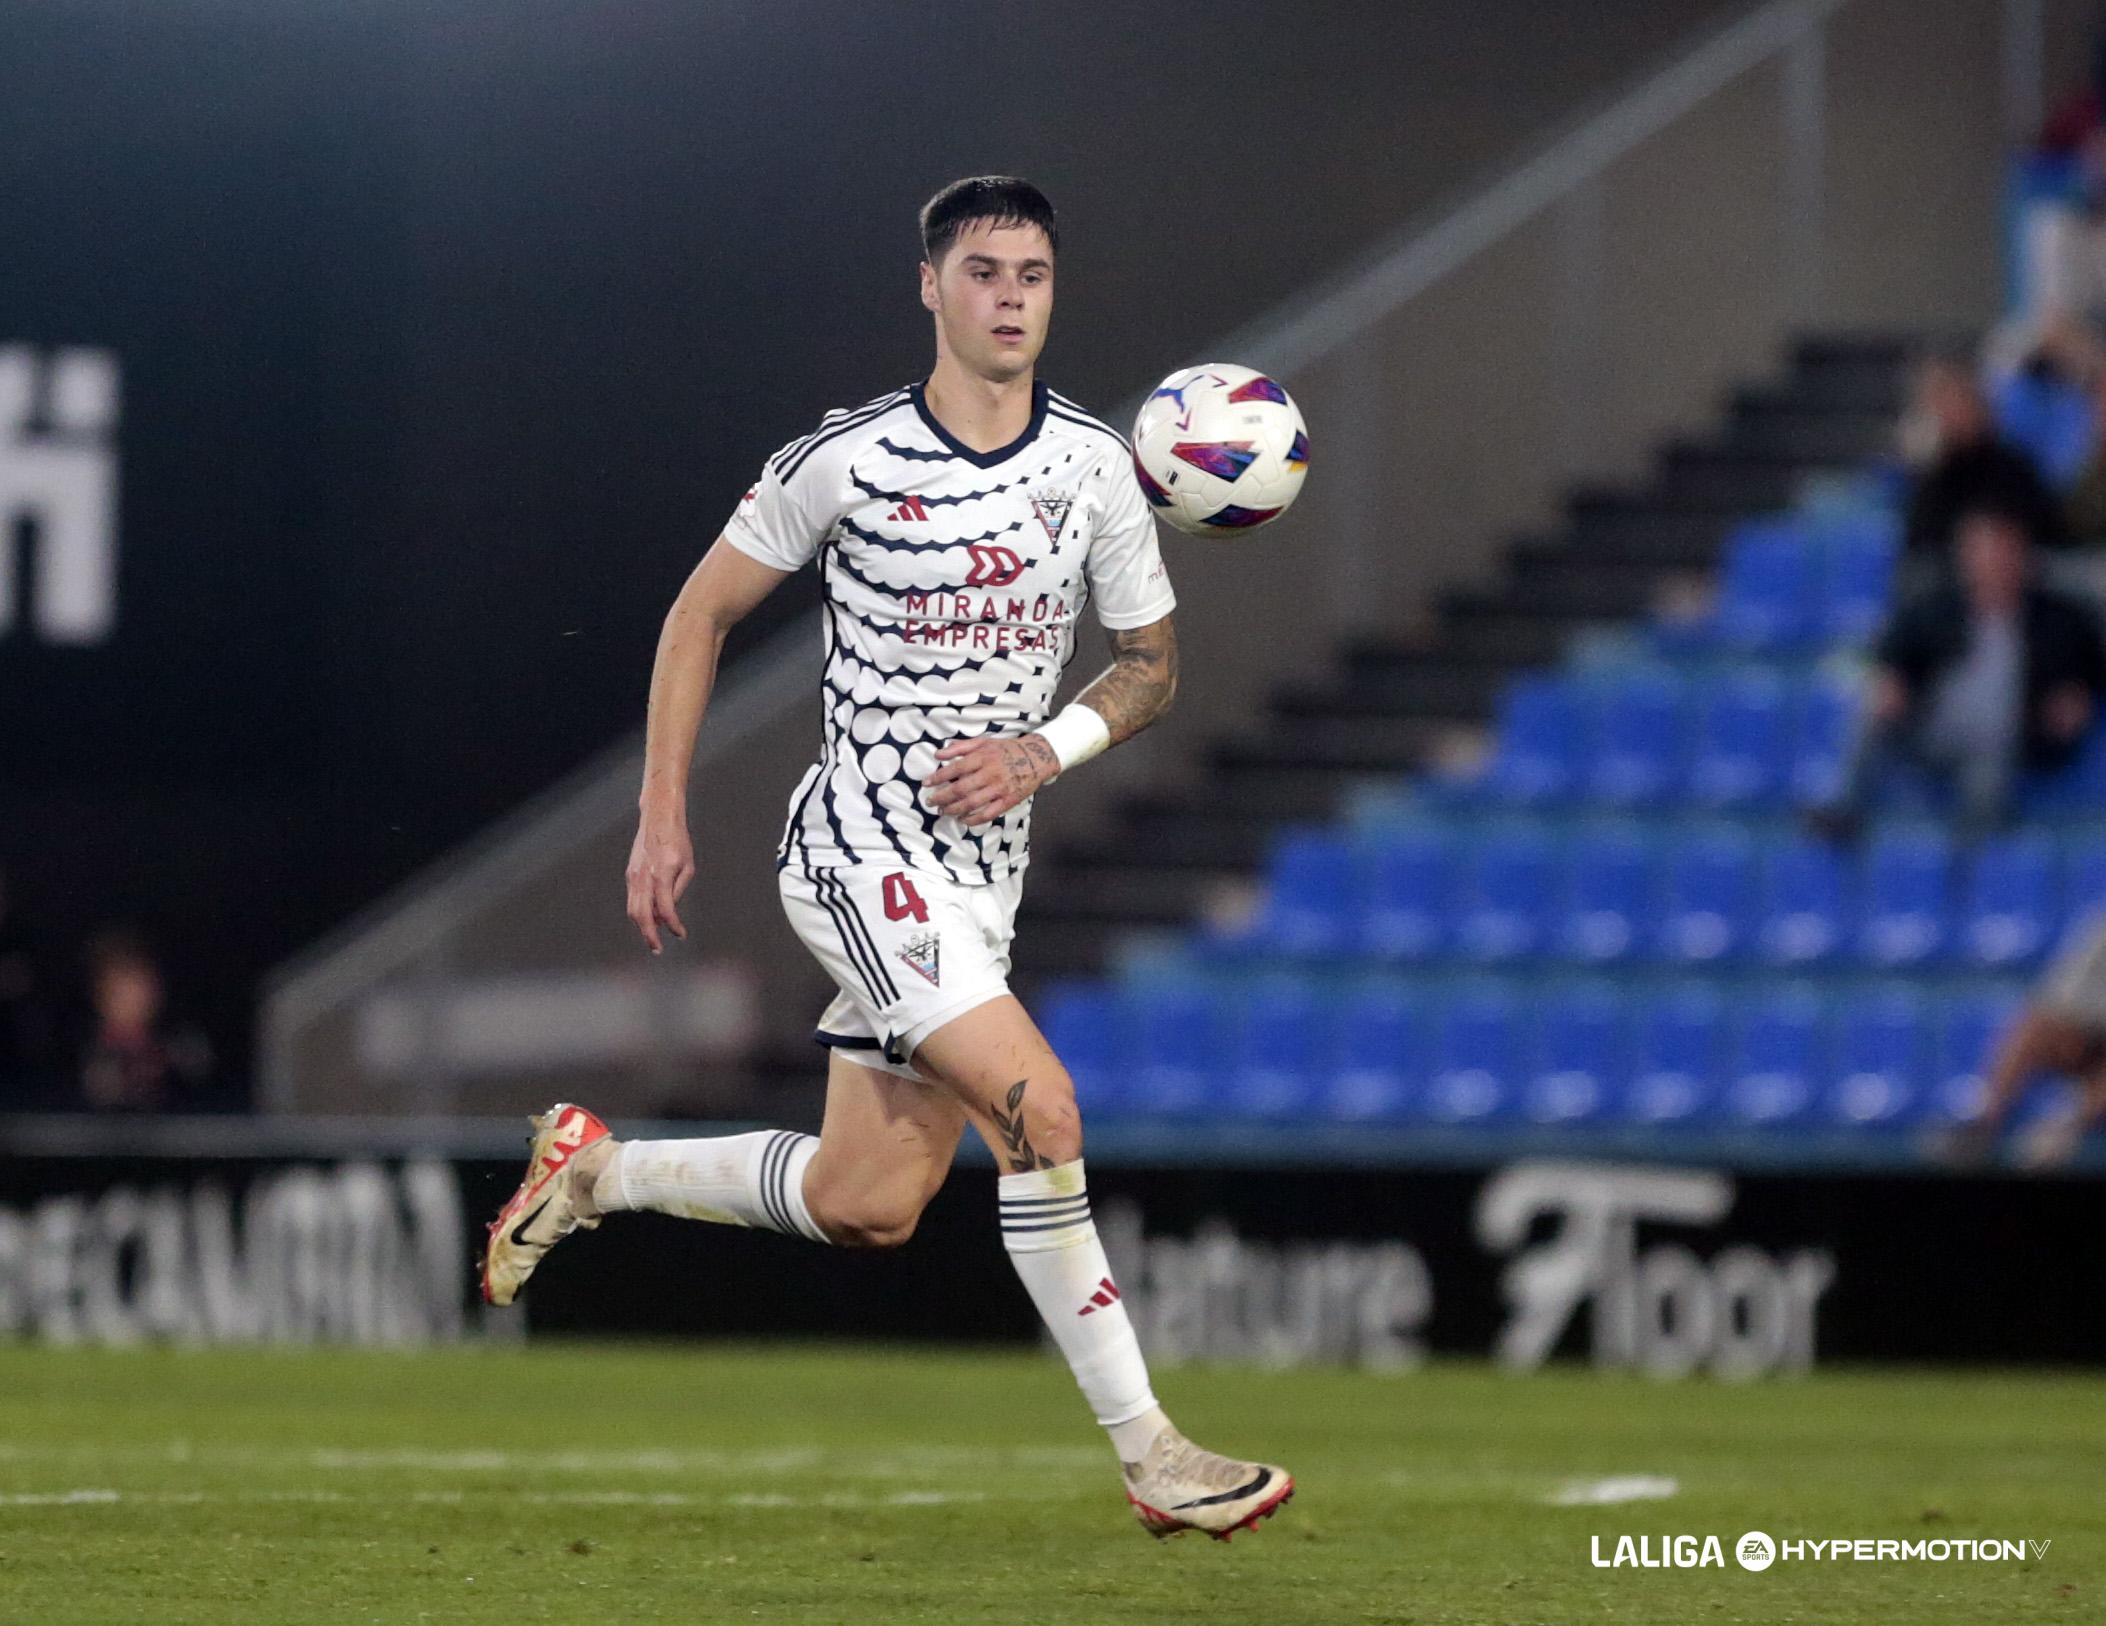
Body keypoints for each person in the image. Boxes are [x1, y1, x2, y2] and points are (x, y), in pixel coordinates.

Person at [480, 177, 1292, 1541]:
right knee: (1043, 1109)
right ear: (929, 285)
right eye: (982, 271)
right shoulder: (841, 460)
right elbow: (697, 617)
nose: (1010, 296)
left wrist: (1044, 749)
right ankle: (1151, 1452)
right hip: (859, 848)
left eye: (1031, 272)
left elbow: (1150, 668)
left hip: (982, 873)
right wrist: (659, 810)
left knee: (868, 1205)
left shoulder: (1097, 463)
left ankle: (594, 1173)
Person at [1815, 501, 2106, 839]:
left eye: (2002, 551)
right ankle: (1841, 808)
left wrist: (2079, 696)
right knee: (1869, 711)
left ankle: (1970, 869)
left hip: (2010, 738)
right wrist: (1892, 682)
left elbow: (2095, 669)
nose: (1993, 563)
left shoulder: (2059, 618)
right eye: (1982, 552)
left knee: (1989, 769)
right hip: (1935, 727)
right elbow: (1893, 655)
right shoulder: (1935, 607)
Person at [1940, 911, 2106, 1167]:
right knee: (2034, 1024)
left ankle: (2063, 1128)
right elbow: (2059, 997)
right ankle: (1984, 1122)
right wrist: (2074, 1029)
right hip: (2087, 1033)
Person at [1897, 355, 2065, 568]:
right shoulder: (1929, 479)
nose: (1950, 411)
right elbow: (1920, 550)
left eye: (1958, 398)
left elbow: (2044, 536)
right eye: (1939, 402)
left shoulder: (2014, 470)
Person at [75, 928, 212, 1112]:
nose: (135, 1000)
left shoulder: (181, 1047)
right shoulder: (77, 1050)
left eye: (141, 986)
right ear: (99, 993)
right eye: (121, 991)